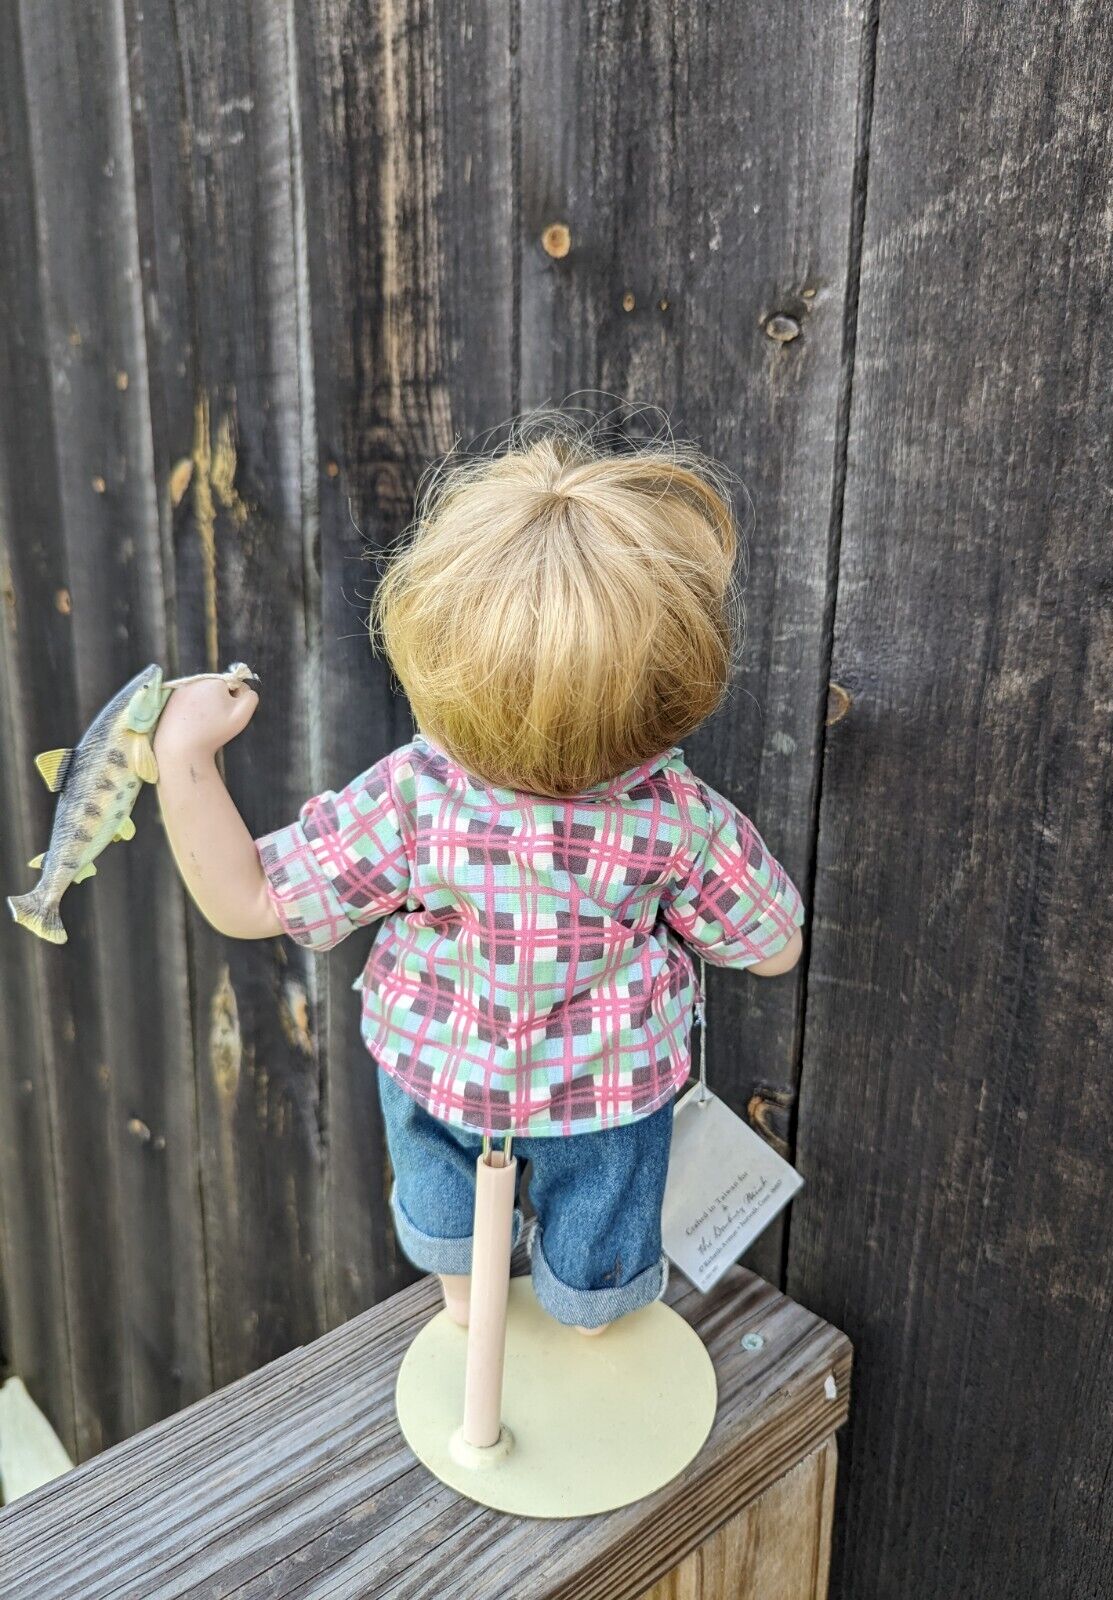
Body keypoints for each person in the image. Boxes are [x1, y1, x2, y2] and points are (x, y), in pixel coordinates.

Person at [154, 418, 805, 1334]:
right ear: (670, 686)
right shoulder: (676, 815)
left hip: (440, 1067)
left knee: (440, 1181)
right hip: (607, 1088)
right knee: (607, 1207)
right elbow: (775, 946)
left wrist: (186, 763)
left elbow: (252, 898)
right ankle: (593, 1310)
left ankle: (466, 1302)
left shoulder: (416, 796)